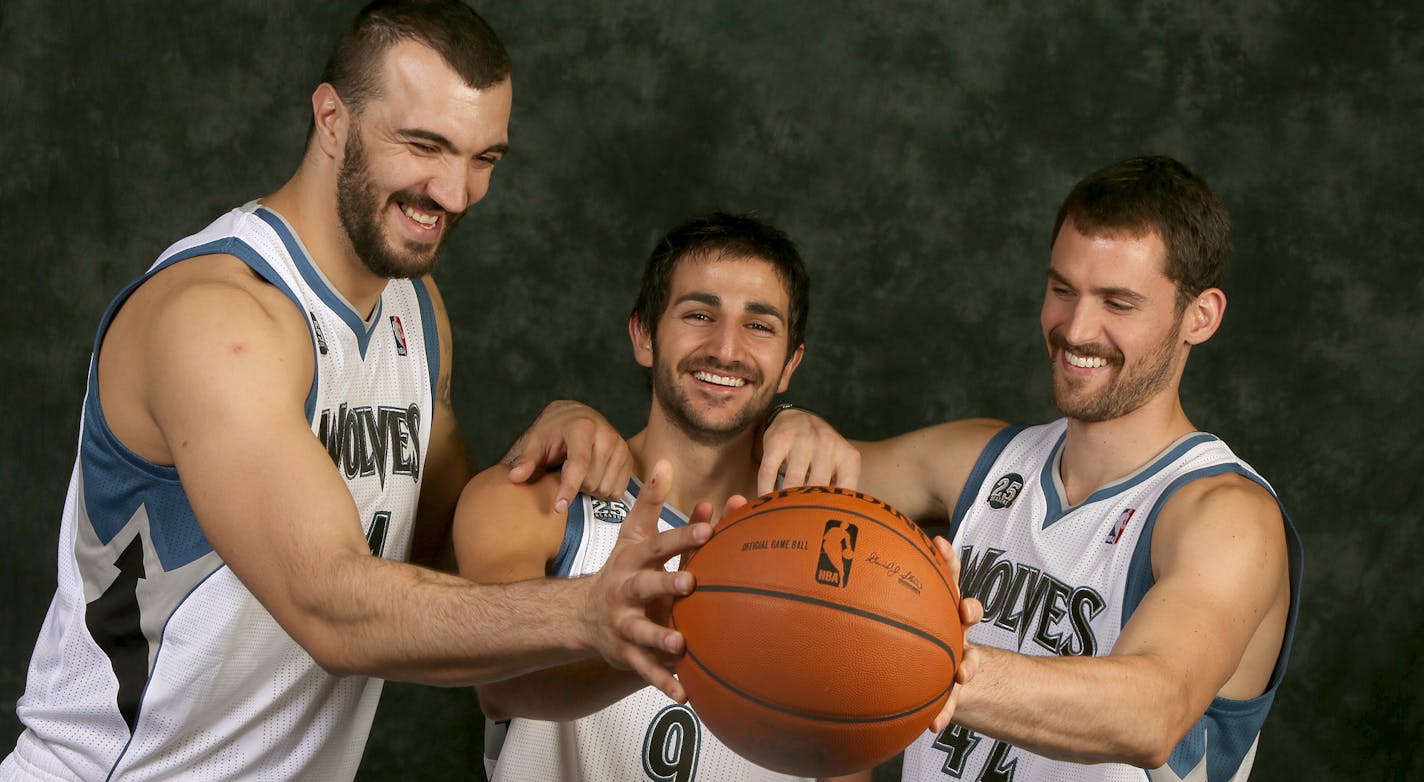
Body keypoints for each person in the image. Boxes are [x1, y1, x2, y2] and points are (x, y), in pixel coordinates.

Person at [1, 3, 712, 779]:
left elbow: (448, 565)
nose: (457, 191)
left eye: (486, 159)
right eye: (425, 146)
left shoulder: (416, 309)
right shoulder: (219, 320)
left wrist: (554, 438)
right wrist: (582, 612)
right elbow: (331, 607)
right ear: (332, 118)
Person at [767, 155, 1303, 780]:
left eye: (1118, 303)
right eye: (1062, 289)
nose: (1076, 328)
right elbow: (799, 478)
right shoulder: (985, 460)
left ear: (1200, 316)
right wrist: (788, 420)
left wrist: (916, 657)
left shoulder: (1227, 517)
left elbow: (1153, 711)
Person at [453, 213, 976, 781]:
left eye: (759, 326)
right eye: (699, 315)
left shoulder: (825, 545)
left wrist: (918, 641)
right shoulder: (539, 503)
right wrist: (682, 634)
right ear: (644, 336)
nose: (726, 349)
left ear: (789, 366)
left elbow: (838, 764)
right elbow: (499, 684)